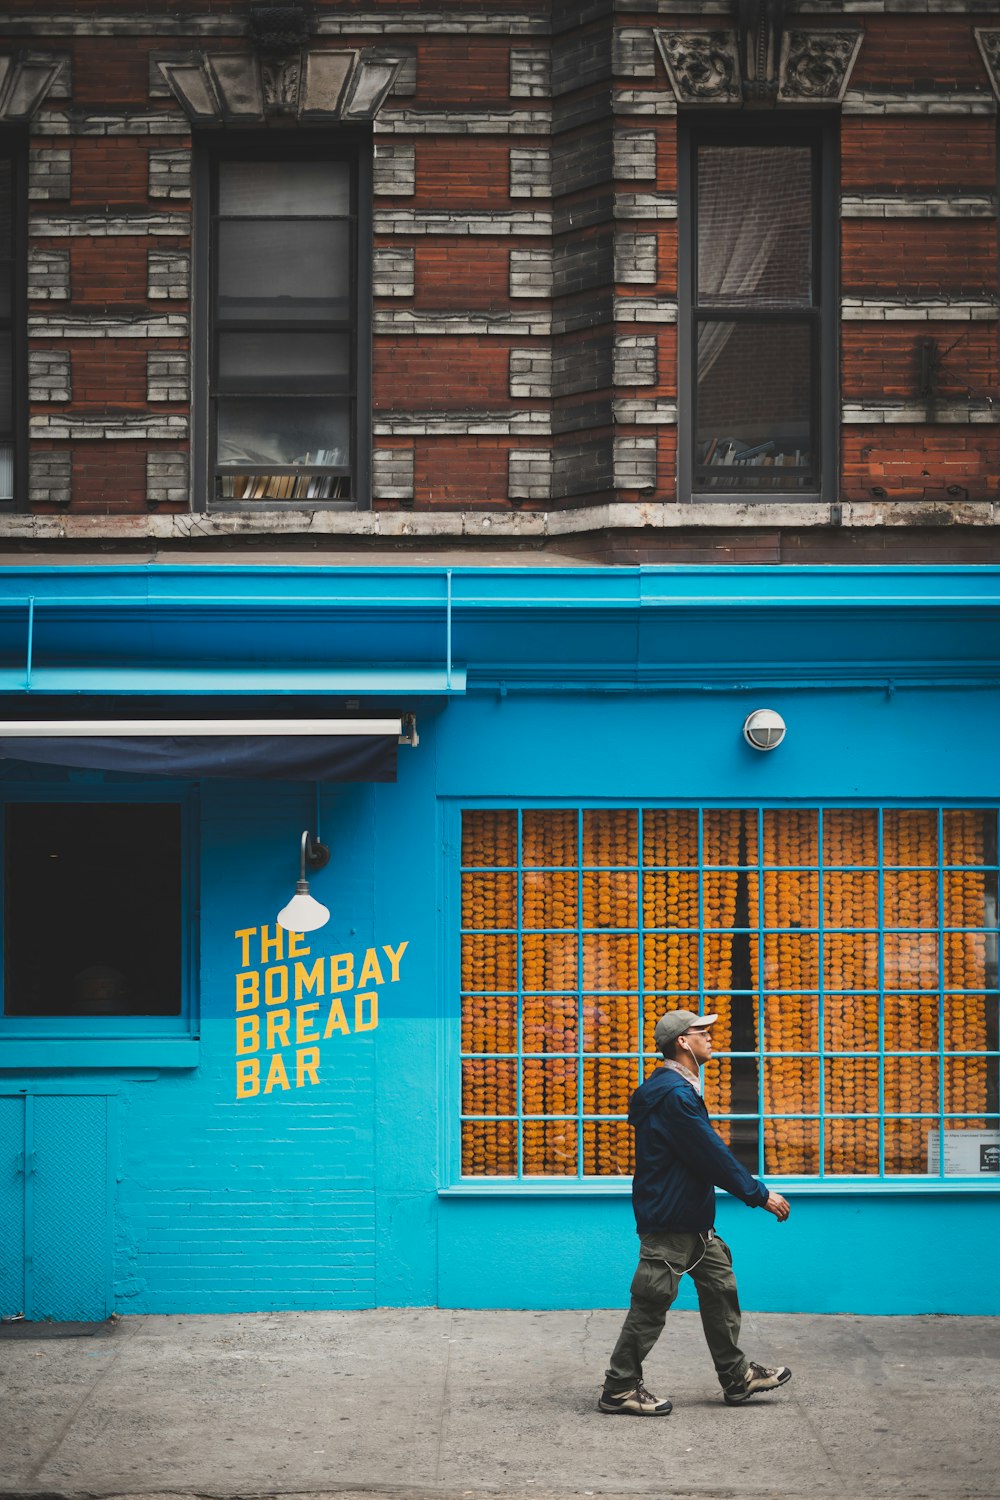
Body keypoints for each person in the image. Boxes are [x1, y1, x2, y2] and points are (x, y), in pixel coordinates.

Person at [599, 1009, 791, 1415]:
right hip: (670, 1220)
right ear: (683, 1042)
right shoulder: (674, 1095)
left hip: (693, 1220)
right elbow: (711, 1155)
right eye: (702, 1031)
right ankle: (619, 1388)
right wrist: (759, 1194)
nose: (710, 1036)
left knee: (721, 1289)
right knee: (651, 1304)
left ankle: (737, 1377)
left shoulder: (679, 1088)